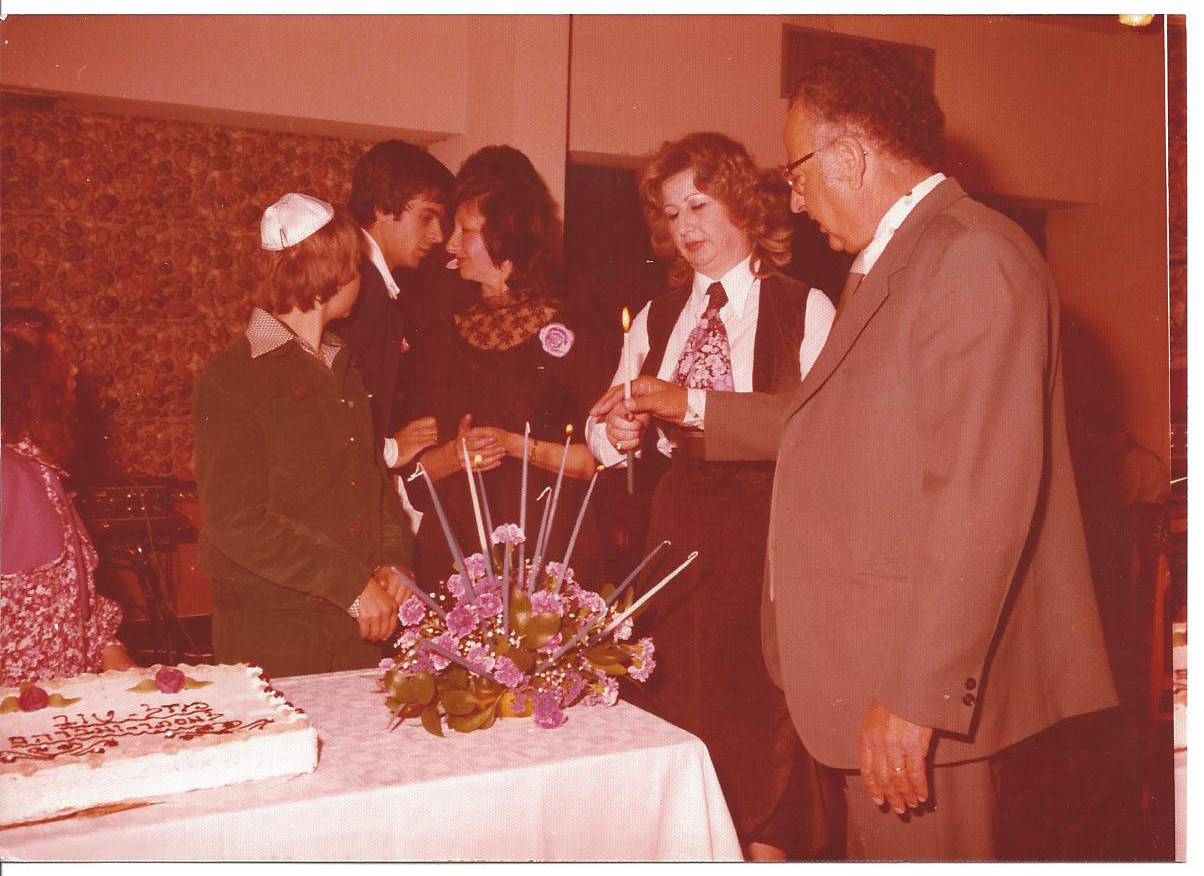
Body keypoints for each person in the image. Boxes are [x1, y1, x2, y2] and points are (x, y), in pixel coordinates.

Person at [592, 47, 1117, 861]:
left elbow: (982, 500)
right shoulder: (895, 263)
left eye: (797, 175)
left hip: (913, 689)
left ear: (851, 156)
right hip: (869, 669)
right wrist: (687, 407)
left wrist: (917, 698)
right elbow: (823, 423)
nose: (795, 201)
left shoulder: (969, 257)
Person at [583, 132, 836, 861]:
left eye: (698, 205)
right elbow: (603, 427)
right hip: (677, 541)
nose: (684, 227)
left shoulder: (806, 307)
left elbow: (822, 432)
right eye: (671, 214)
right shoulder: (658, 315)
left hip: (768, 539)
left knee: (763, 729)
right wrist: (618, 434)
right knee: (682, 714)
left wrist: (682, 402)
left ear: (743, 202)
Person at [193, 193, 414, 679]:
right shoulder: (233, 378)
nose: (361, 277)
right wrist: (351, 584)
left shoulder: (342, 367)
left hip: (358, 624)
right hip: (276, 633)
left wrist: (394, 560)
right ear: (332, 273)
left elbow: (373, 482)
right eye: (357, 265)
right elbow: (236, 522)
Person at [403, 145, 612, 591]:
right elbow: (413, 478)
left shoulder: (575, 332)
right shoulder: (438, 337)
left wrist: (518, 446)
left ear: (506, 241)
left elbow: (597, 462)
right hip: (455, 558)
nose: (450, 244)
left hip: (550, 556)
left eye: (465, 230)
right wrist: (452, 456)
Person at [2, 307, 136, 686]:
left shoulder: (41, 473)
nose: (74, 371)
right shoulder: (8, 475)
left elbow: (82, 615)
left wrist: (136, 681)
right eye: (61, 361)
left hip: (60, 709)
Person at [335, 140, 455, 484]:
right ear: (381, 209)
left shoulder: (373, 285)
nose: (439, 235)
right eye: (427, 217)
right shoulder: (359, 290)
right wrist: (388, 449)